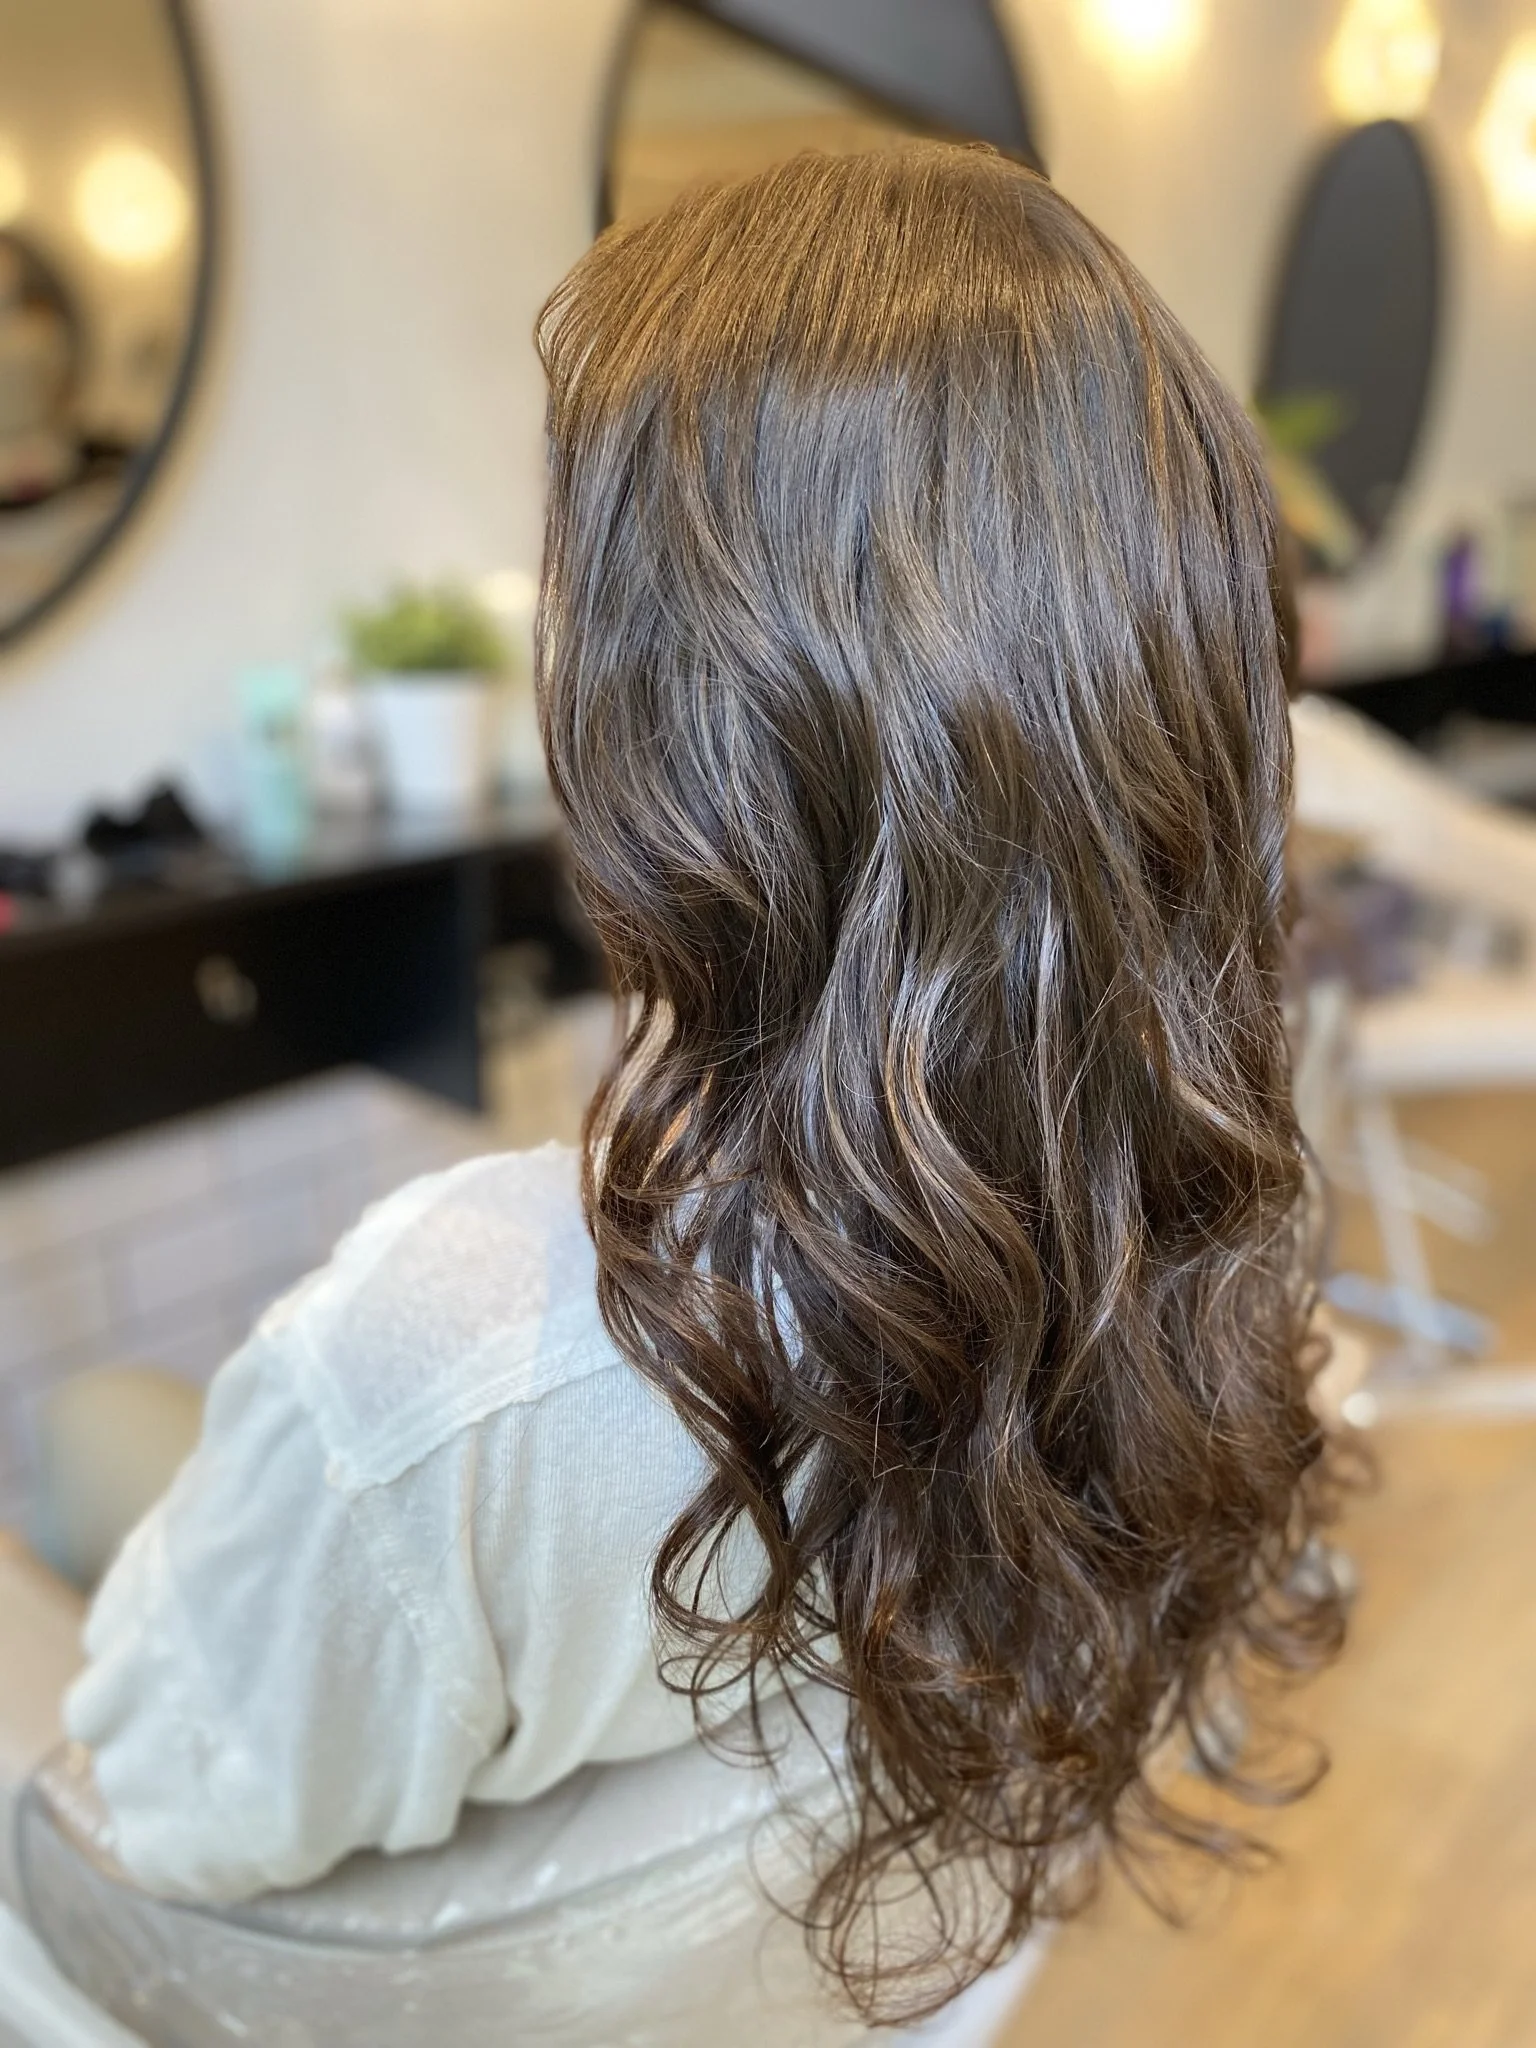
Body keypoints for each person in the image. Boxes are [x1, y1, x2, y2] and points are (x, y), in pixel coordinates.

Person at [63, 143, 1349, 2031]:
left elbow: (154, 1834)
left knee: (86, 1420)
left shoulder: (447, 1362)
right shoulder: (1199, 1232)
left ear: (698, 717)